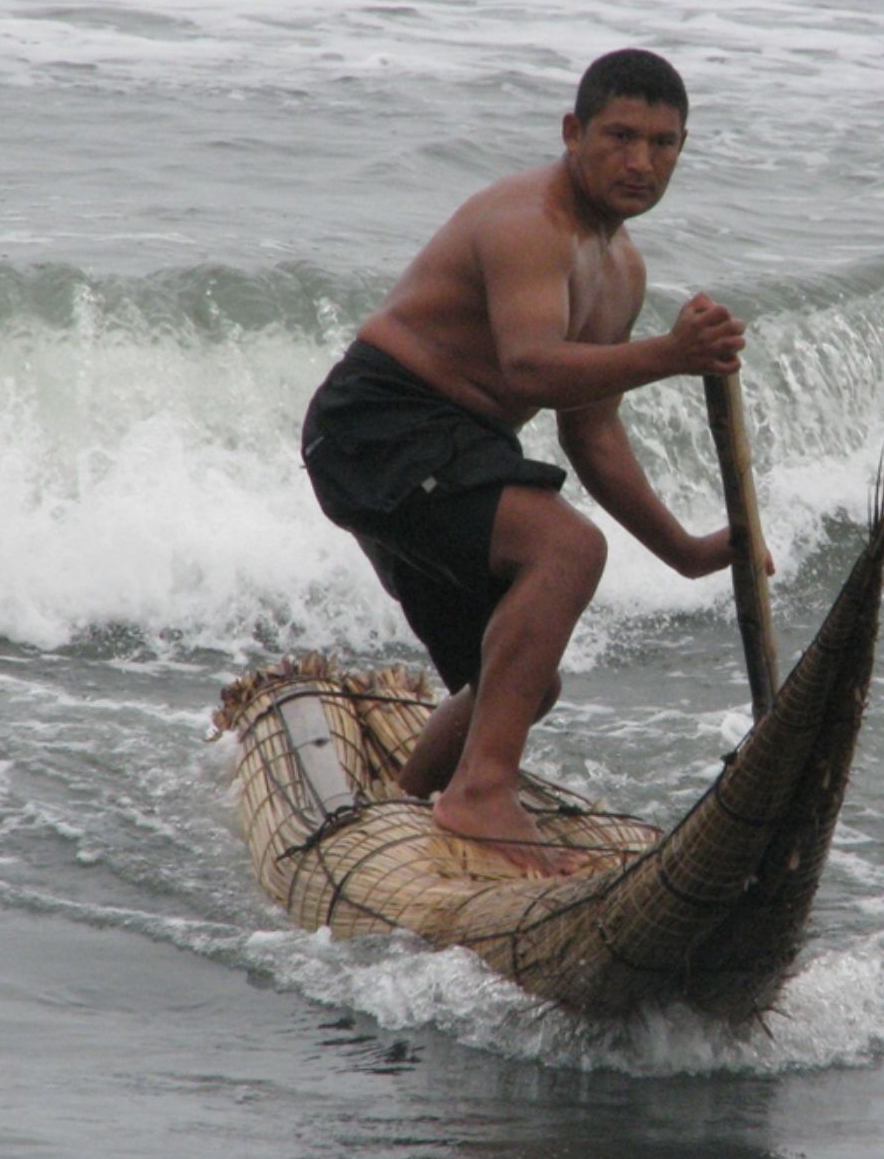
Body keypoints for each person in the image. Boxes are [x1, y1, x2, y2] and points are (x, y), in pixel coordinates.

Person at [302, 48, 752, 877]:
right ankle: (480, 795)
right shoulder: (527, 222)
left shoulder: (621, 268)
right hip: (381, 424)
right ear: (574, 132)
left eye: (664, 143)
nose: (640, 161)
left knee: (517, 685)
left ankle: (405, 813)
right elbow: (530, 369)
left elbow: (592, 435)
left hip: (459, 448)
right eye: (620, 136)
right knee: (567, 547)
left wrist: (685, 552)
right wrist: (671, 352)